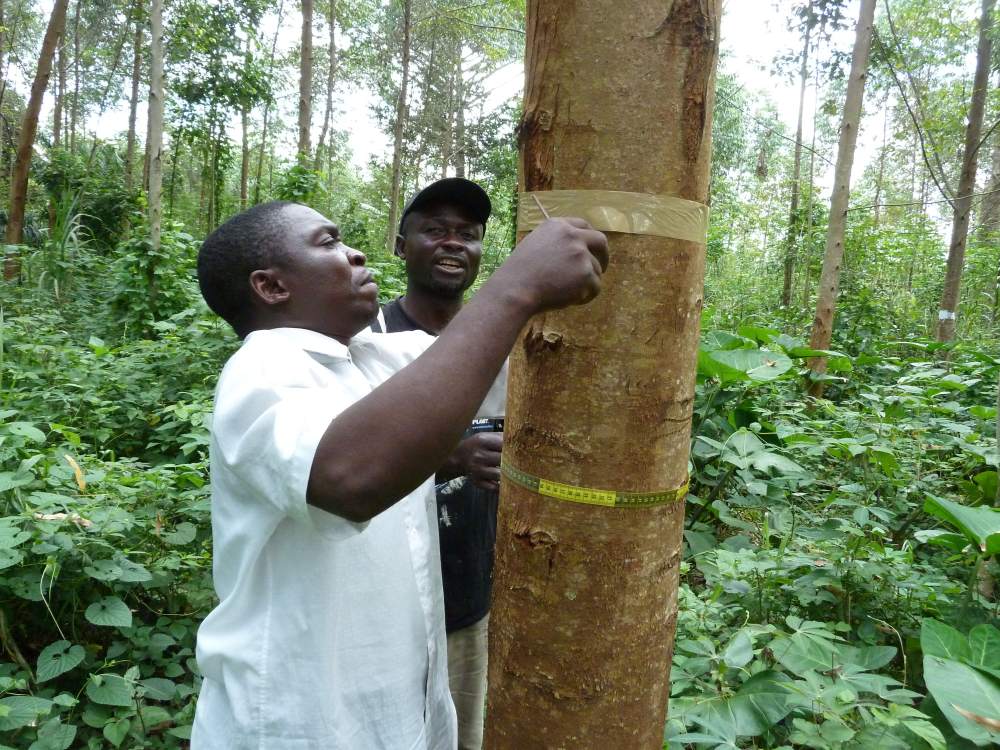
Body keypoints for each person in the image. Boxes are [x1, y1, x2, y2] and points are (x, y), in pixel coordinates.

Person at [190, 199, 608, 749]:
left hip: (397, 711)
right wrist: (515, 288)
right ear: (271, 287)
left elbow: (455, 361)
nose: (354, 251)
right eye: (327, 242)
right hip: (301, 721)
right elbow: (350, 478)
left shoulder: (368, 359)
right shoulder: (262, 369)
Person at [372, 178, 500, 750]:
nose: (453, 244)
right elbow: (345, 464)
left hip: (475, 596)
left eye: (467, 235)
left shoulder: (503, 342)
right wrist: (449, 458)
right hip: (383, 607)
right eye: (434, 231)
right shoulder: (361, 340)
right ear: (401, 245)